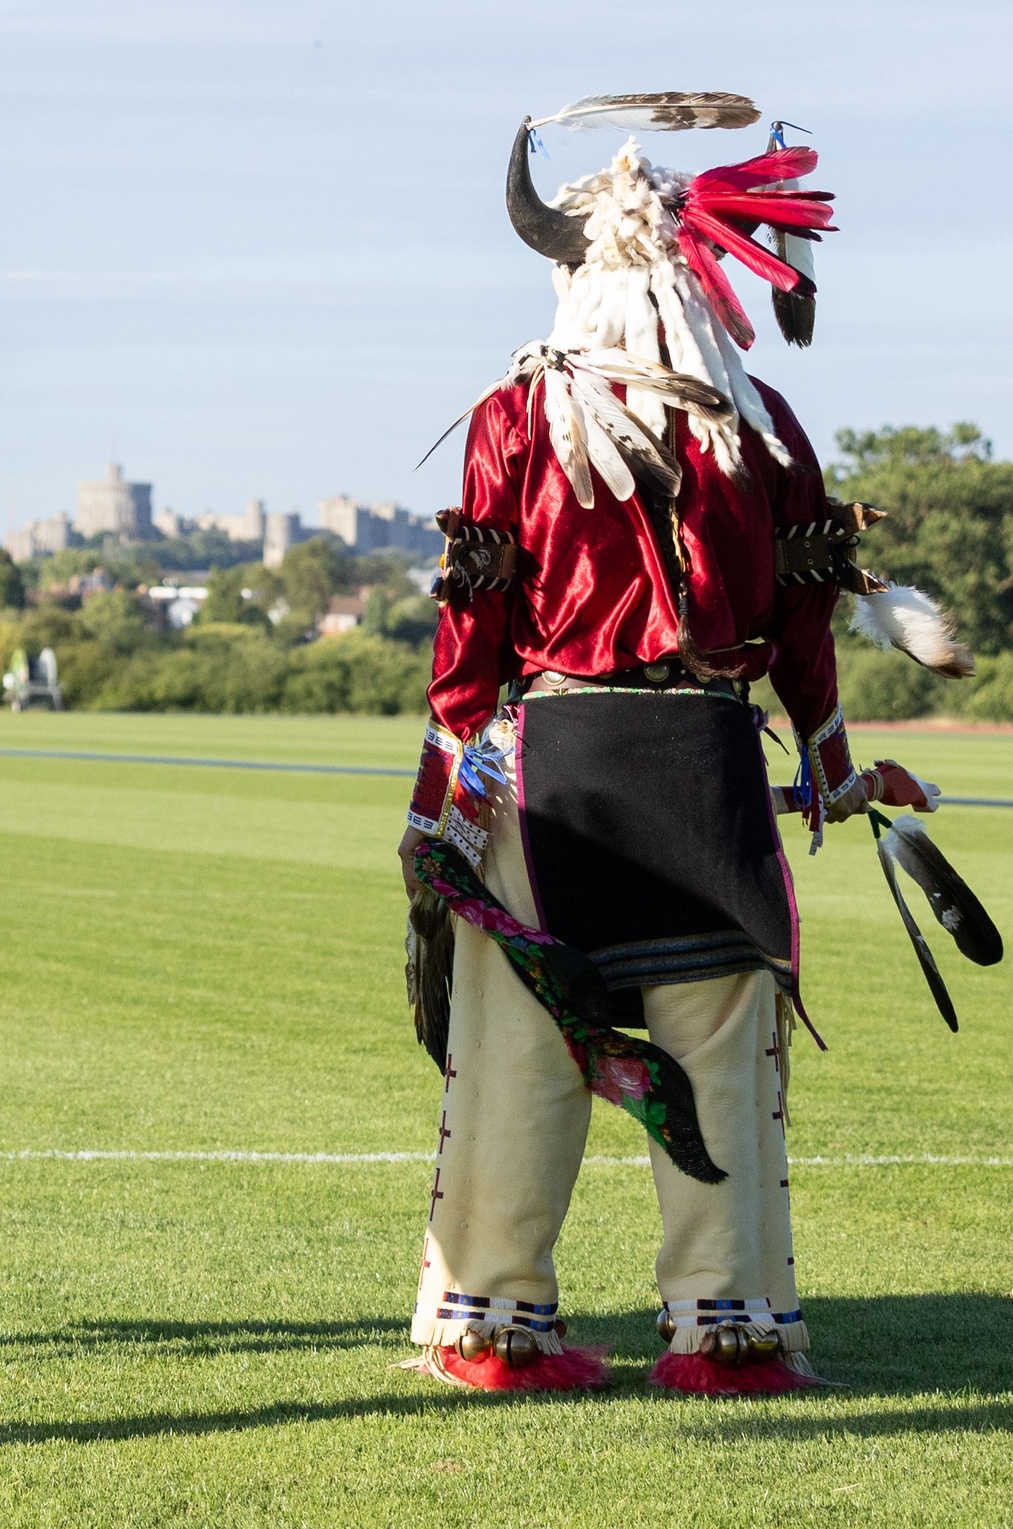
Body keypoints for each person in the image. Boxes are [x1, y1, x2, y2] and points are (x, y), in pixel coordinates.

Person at [398, 98, 955, 1395]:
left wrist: (440, 806)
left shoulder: (515, 421)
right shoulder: (764, 431)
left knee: (521, 1056)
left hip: (549, 771)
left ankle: (493, 1331)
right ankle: (730, 1337)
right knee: (722, 1057)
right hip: (706, 769)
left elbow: (472, 642)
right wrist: (832, 772)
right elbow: (806, 636)